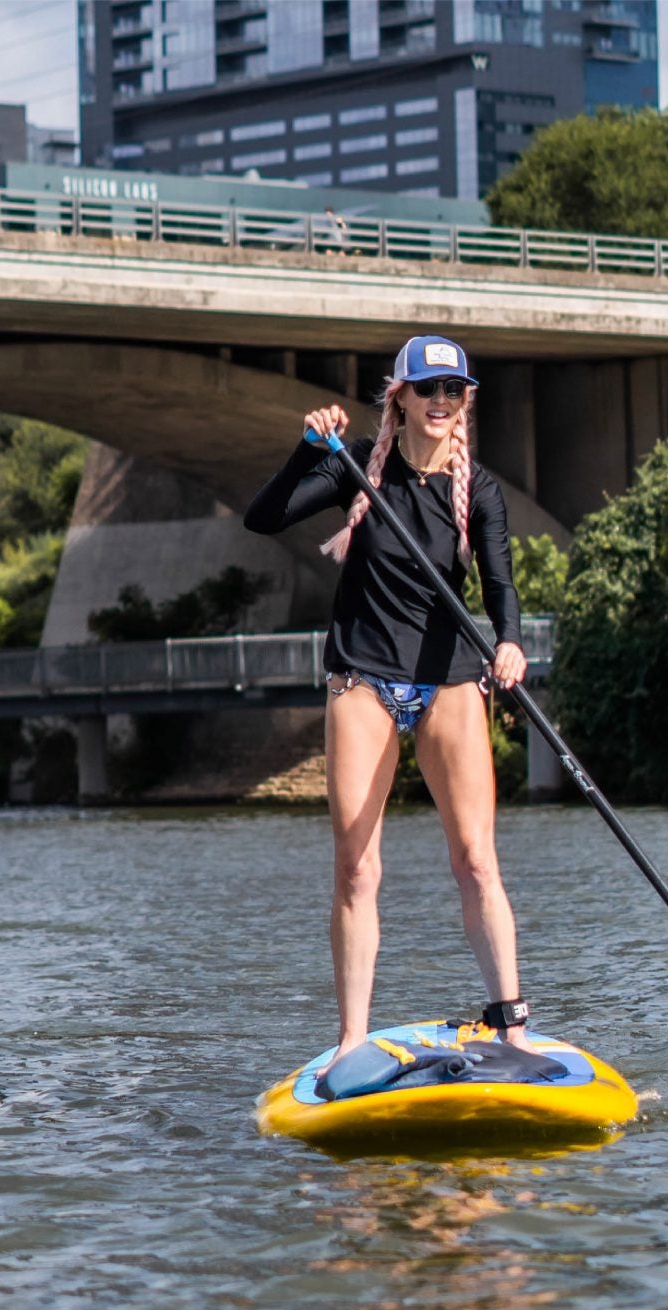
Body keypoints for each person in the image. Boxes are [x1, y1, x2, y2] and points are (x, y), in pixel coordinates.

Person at [244, 334, 532, 1068]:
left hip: (451, 678)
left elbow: (499, 583)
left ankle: (513, 1026)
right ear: (398, 395)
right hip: (365, 676)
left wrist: (509, 640)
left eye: (454, 391)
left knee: (476, 860)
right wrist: (310, 450)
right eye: (428, 389)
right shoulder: (356, 471)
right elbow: (264, 518)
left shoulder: (483, 491)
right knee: (357, 866)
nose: (441, 402)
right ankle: (351, 1039)